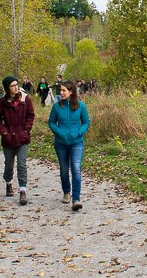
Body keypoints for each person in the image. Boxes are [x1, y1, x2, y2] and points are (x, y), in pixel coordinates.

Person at [48, 81, 90, 211]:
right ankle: (66, 191)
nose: (61, 93)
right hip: (61, 143)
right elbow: (51, 122)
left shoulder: (80, 106)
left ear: (71, 92)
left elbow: (86, 122)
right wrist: (59, 132)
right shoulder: (57, 107)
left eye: (64, 90)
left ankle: (76, 199)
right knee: (64, 169)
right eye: (60, 90)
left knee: (76, 168)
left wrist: (79, 132)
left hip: (77, 142)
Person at [0, 76, 36, 205]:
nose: (15, 87)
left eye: (16, 84)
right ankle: (8, 182)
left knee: (22, 164)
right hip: (8, 138)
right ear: (7, 87)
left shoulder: (25, 99)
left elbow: (31, 115)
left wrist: (26, 129)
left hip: (22, 137)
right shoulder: (2, 102)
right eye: (12, 85)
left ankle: (23, 190)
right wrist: (4, 132)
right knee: (9, 164)